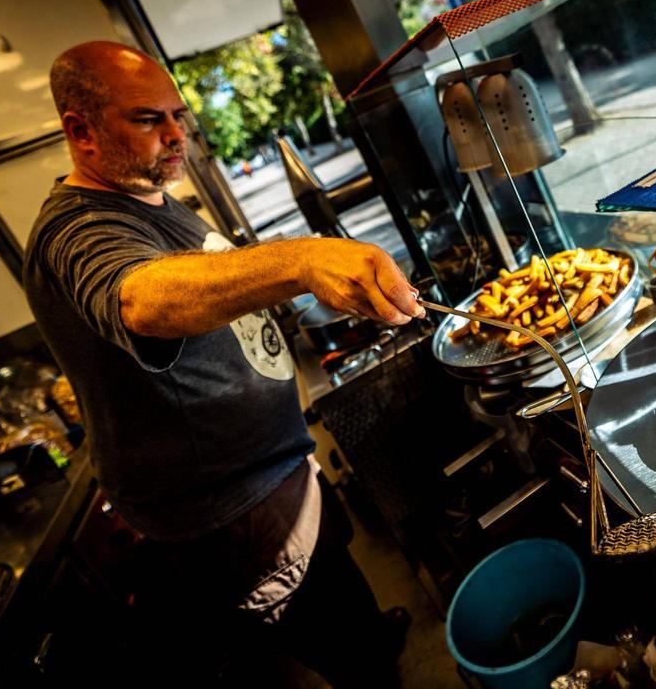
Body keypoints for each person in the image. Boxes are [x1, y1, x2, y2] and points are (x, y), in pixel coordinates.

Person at [23, 41, 425, 685]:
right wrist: (299, 262)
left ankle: (372, 635)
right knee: (342, 645)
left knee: (338, 581)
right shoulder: (74, 228)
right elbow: (142, 300)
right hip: (233, 508)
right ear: (82, 131)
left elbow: (215, 294)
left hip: (277, 463)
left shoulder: (148, 194)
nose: (176, 134)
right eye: (149, 119)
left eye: (179, 115)